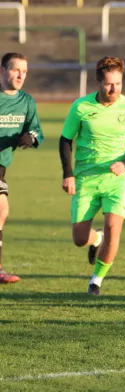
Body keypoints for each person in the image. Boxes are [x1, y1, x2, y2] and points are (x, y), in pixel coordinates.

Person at [59, 56, 125, 295]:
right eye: (109, 84)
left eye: (118, 84)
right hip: (86, 180)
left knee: (113, 228)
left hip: (117, 182)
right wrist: (68, 174)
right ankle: (94, 240)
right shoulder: (81, 107)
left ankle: (96, 280)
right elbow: (65, 140)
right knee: (79, 238)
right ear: (99, 82)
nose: (114, 89)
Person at [0, 52, 44, 284]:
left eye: (24, 71)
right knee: (1, 210)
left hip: (2, 165)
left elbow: (36, 130)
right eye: (16, 69)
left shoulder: (26, 101)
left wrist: (30, 137)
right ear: (2, 71)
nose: (20, 75)